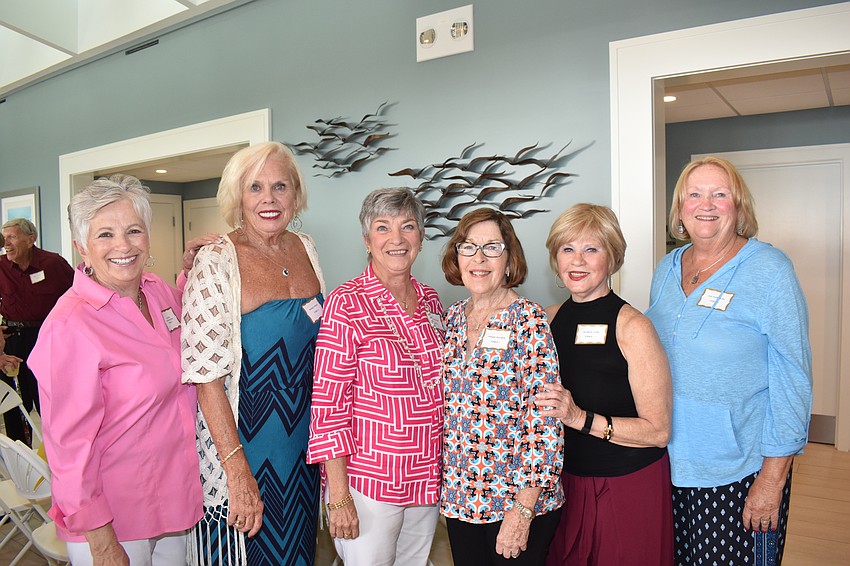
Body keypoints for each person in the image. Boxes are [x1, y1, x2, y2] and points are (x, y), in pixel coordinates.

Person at [29, 175, 207, 564]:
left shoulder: (157, 291)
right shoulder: (69, 326)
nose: (123, 246)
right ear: (82, 246)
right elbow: (69, 448)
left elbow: (189, 328)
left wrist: (194, 273)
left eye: (133, 230)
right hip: (113, 517)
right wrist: (101, 539)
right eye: (105, 235)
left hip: (174, 498)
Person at [645, 156, 812, 565]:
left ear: (738, 206)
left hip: (739, 470)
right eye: (694, 194)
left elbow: (793, 378)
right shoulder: (666, 268)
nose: (706, 204)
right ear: (680, 209)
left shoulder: (770, 270)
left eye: (719, 194)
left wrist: (772, 479)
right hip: (666, 462)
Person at [182, 141, 326, 566]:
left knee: (298, 551)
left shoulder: (305, 247)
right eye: (255, 187)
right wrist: (236, 470)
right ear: (237, 196)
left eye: (280, 186)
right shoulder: (215, 261)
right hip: (246, 443)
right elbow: (206, 381)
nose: (269, 199)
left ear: (296, 194)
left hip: (302, 444)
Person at [307, 188, 444, 566]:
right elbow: (328, 406)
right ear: (367, 240)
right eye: (383, 227)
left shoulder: (432, 301)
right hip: (369, 482)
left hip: (425, 474)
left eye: (408, 226)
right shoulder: (346, 302)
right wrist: (339, 497)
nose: (396, 238)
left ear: (421, 238)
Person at [535, 203, 673, 565]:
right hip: (564, 484)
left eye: (591, 249)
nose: (577, 261)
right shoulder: (546, 321)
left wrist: (580, 418)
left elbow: (658, 431)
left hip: (626, 483)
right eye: (567, 249)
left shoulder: (634, 327)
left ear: (612, 258)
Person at [439, 208, 564, 565]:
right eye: (468, 247)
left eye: (492, 247)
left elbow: (545, 418)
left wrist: (522, 510)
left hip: (517, 503)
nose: (478, 258)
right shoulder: (452, 318)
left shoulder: (528, 320)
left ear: (509, 259)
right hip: (462, 500)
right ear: (457, 257)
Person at [0, 217, 73, 444]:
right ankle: (20, 456)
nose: (6, 244)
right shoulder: (1, 266)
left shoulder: (53, 264)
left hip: (46, 338)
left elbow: (78, 299)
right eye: (4, 238)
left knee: (48, 401)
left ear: (30, 239)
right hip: (12, 340)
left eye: (12, 237)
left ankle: (58, 451)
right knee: (14, 406)